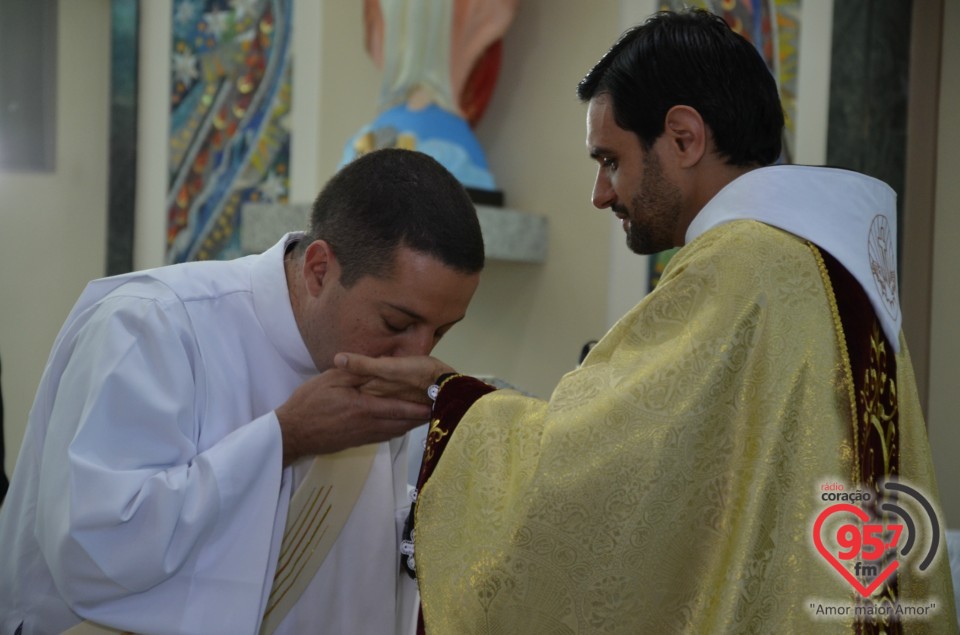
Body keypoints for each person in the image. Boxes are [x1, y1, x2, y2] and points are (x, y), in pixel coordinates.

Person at [336, 9, 958, 634]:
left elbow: (605, 478)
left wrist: (452, 403)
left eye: (610, 160)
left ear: (684, 137)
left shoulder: (744, 265)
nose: (601, 194)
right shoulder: (825, 264)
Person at [0, 148, 485, 635]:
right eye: (397, 322)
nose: (416, 356)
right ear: (319, 270)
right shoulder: (151, 324)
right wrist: (285, 438)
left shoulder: (380, 370)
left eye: (441, 332)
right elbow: (92, 550)